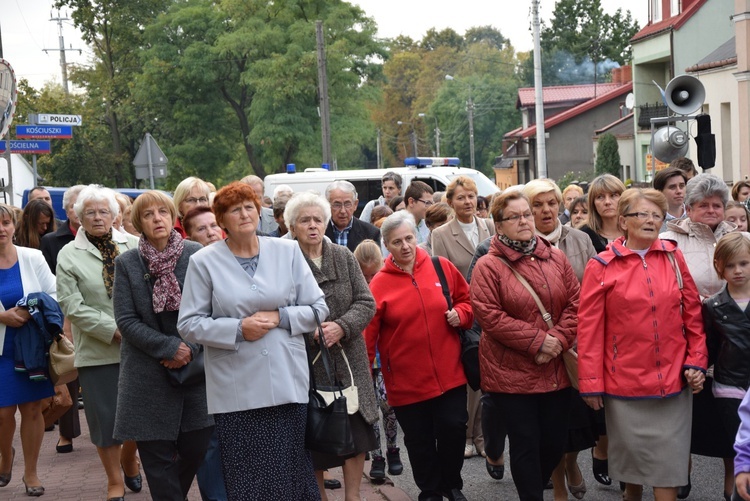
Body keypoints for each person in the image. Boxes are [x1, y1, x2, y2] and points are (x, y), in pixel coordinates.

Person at [177, 181, 328, 500]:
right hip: (237, 392)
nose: (244, 214)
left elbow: (318, 308)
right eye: (235, 209)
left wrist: (281, 317)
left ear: (260, 213)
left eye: (249, 207)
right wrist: (236, 329)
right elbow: (189, 324)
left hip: (287, 383)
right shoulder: (204, 262)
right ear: (221, 220)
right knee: (247, 478)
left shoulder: (287, 251)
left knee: (291, 471)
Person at [578, 188, 708, 501]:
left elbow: (692, 315)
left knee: (667, 473)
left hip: (673, 384)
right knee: (631, 474)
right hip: (624, 386)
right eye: (643, 214)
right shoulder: (602, 265)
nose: (651, 220)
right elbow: (589, 328)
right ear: (623, 221)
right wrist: (591, 383)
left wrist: (696, 362)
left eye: (657, 215)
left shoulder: (673, 256)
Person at [470, 190, 579, 501]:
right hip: (511, 374)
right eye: (514, 217)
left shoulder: (555, 256)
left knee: (554, 442)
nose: (524, 221)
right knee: (525, 444)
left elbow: (575, 302)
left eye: (526, 214)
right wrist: (537, 342)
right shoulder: (488, 265)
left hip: (555, 368)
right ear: (499, 225)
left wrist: (556, 339)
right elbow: (490, 316)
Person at [365, 211, 473, 501]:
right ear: (386, 245)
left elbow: (467, 300)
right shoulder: (379, 284)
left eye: (409, 238)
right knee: (419, 439)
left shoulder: (441, 267)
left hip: (449, 373)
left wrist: (460, 314)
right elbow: (368, 336)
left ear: (418, 237)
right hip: (406, 380)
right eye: (397, 242)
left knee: (453, 428)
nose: (405, 246)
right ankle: (430, 490)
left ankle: (452, 484)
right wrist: (366, 375)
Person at [112, 191, 213, 500]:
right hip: (146, 376)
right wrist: (169, 347)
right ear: (138, 223)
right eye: (148, 214)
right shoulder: (127, 262)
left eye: (162, 212)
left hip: (194, 374)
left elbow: (212, 309)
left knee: (195, 450)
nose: (157, 218)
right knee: (156, 461)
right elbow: (126, 320)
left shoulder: (197, 254)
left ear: (173, 218)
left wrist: (188, 348)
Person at [285, 192, 379, 501]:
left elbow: (366, 302)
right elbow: (276, 310)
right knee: (315, 434)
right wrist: (306, 325)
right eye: (305, 220)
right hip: (306, 363)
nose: (313, 226)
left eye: (318, 219)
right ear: (291, 225)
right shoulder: (283, 260)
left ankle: (353, 497)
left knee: (356, 432)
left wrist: (341, 327)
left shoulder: (342, 254)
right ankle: (319, 497)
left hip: (348, 360)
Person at [662, 173, 745, 499]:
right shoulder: (671, 239)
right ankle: (682, 473)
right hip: (687, 337)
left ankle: (733, 483)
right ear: (690, 207)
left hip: (733, 341)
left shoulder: (741, 237)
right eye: (703, 205)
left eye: (716, 205)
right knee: (687, 415)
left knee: (733, 417)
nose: (711, 210)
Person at [56, 185, 141, 501]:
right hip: (97, 351)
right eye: (89, 212)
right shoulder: (69, 254)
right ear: (79, 218)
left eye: (103, 211)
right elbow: (72, 304)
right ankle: (114, 480)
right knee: (105, 420)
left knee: (138, 415)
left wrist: (135, 330)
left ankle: (129, 458)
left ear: (115, 214)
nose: (97, 217)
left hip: (138, 348)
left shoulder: (132, 244)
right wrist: (114, 330)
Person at [522, 179, 597, 500]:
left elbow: (595, 291)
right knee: (551, 424)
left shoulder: (580, 240)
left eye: (551, 203)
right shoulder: (519, 244)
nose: (546, 210)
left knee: (578, 419)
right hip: (539, 348)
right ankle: (559, 487)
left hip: (578, 344)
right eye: (537, 205)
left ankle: (571, 464)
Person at [430, 176, 494, 461]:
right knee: (470, 374)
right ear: (450, 202)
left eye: (471, 197)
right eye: (461, 197)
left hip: (492, 308)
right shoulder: (441, 234)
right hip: (463, 312)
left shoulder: (490, 226)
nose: (467, 202)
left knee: (489, 374)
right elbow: (440, 276)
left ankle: (483, 435)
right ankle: (469, 435)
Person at [0, 203, 57, 497]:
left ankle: (31, 473)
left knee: (33, 409)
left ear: (13, 226)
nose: (1, 229)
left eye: (5, 223)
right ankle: (5, 456)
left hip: (31, 347)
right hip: (1, 350)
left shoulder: (32, 256)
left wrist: (31, 309)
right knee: (2, 412)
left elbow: (55, 293)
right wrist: (1, 315)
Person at [178, 205, 227, 501]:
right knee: (209, 440)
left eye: (213, 226)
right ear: (188, 235)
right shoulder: (187, 265)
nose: (210, 233)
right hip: (201, 366)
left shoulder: (240, 257)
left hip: (240, 364)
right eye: (201, 229)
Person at [39, 185, 86, 455]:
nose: (81, 212)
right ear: (67, 210)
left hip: (95, 312)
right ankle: (67, 434)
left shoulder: (100, 237)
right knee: (68, 372)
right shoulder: (51, 241)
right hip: (63, 314)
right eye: (76, 207)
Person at [704, 233, 750, 501]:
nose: (738, 270)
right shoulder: (713, 306)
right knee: (740, 450)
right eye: (731, 265)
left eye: (744, 263)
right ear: (719, 266)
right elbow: (708, 349)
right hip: (729, 387)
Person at [324, 181, 381, 252]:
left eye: (347, 204)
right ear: (327, 205)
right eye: (337, 205)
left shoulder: (371, 233)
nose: (343, 211)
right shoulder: (320, 232)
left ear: (355, 204)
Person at [579, 174, 626, 253]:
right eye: (600, 197)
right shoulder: (583, 235)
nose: (607, 202)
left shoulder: (635, 231)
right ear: (592, 203)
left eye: (613, 195)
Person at [653, 167, 688, 232]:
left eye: (681, 186)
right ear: (660, 191)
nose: (679, 191)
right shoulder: (654, 221)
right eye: (672, 187)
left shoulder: (694, 216)